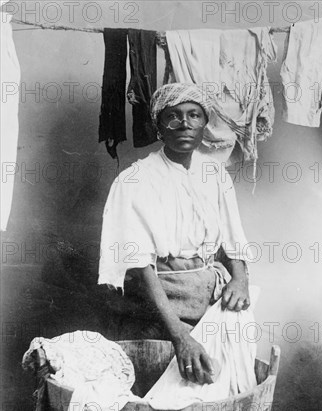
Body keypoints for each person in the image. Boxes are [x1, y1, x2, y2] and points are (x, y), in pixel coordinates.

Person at [98, 83, 253, 387]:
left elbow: (234, 238)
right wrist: (180, 335)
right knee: (160, 392)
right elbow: (139, 265)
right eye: (174, 116)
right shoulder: (134, 180)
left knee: (217, 388)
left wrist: (240, 278)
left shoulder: (215, 174)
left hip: (209, 299)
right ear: (158, 126)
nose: (184, 123)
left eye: (194, 115)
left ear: (204, 124)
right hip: (156, 309)